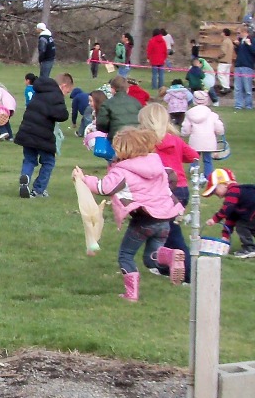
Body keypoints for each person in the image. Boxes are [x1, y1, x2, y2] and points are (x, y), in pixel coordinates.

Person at [74, 128, 185, 301]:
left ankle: (131, 294)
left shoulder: (123, 171)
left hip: (143, 220)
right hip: (164, 218)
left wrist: (84, 179)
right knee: (151, 258)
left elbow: (104, 187)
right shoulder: (156, 164)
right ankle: (170, 255)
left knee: (126, 255)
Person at [138, 103, 198, 283]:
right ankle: (164, 265)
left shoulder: (146, 143)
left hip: (164, 191)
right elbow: (194, 155)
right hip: (181, 189)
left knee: (169, 231)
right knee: (165, 228)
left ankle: (187, 273)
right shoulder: (175, 140)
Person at [14, 75, 69, 199]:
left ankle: (26, 178)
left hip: (27, 131)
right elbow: (62, 115)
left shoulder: (38, 92)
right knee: (48, 161)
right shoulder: (56, 95)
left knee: (29, 159)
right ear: (63, 86)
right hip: (43, 134)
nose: (66, 94)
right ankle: (38, 189)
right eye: (67, 91)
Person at [203, 168, 255, 258]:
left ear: (224, 184)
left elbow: (227, 209)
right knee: (248, 225)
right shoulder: (235, 196)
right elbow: (230, 218)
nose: (216, 194)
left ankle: (249, 249)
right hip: (250, 212)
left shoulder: (234, 190)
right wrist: (225, 236)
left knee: (241, 225)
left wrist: (215, 219)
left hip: (252, 211)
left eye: (215, 190)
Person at [181, 90, 224, 178]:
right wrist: (220, 132)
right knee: (207, 160)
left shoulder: (190, 114)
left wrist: (184, 134)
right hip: (209, 140)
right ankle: (208, 176)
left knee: (194, 158)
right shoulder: (212, 115)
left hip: (195, 140)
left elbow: (186, 128)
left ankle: (193, 174)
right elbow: (218, 127)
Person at [95, 75, 141, 143]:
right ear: (127, 89)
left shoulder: (107, 104)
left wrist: (109, 130)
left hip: (116, 138)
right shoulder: (136, 103)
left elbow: (101, 124)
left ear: (112, 89)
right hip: (135, 138)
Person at [233, 25, 255, 111]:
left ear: (244, 32)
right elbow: (239, 53)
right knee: (238, 87)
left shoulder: (251, 40)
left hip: (247, 66)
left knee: (247, 88)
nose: (238, 35)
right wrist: (236, 46)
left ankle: (248, 105)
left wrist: (249, 45)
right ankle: (238, 105)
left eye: (239, 33)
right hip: (238, 65)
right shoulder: (240, 41)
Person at [217, 28, 234, 94]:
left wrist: (218, 57)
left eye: (222, 32)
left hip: (223, 61)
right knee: (226, 75)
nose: (221, 34)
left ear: (224, 33)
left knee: (220, 74)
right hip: (229, 61)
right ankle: (227, 87)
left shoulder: (225, 42)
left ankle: (225, 87)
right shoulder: (230, 41)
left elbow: (223, 52)